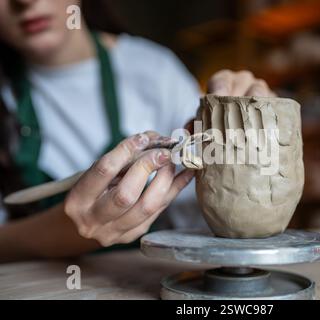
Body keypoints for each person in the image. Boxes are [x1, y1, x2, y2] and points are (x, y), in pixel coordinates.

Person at [0, 0, 275, 263]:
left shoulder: (154, 70)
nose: (25, 0)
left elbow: (213, 216)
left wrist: (262, 136)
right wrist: (63, 233)